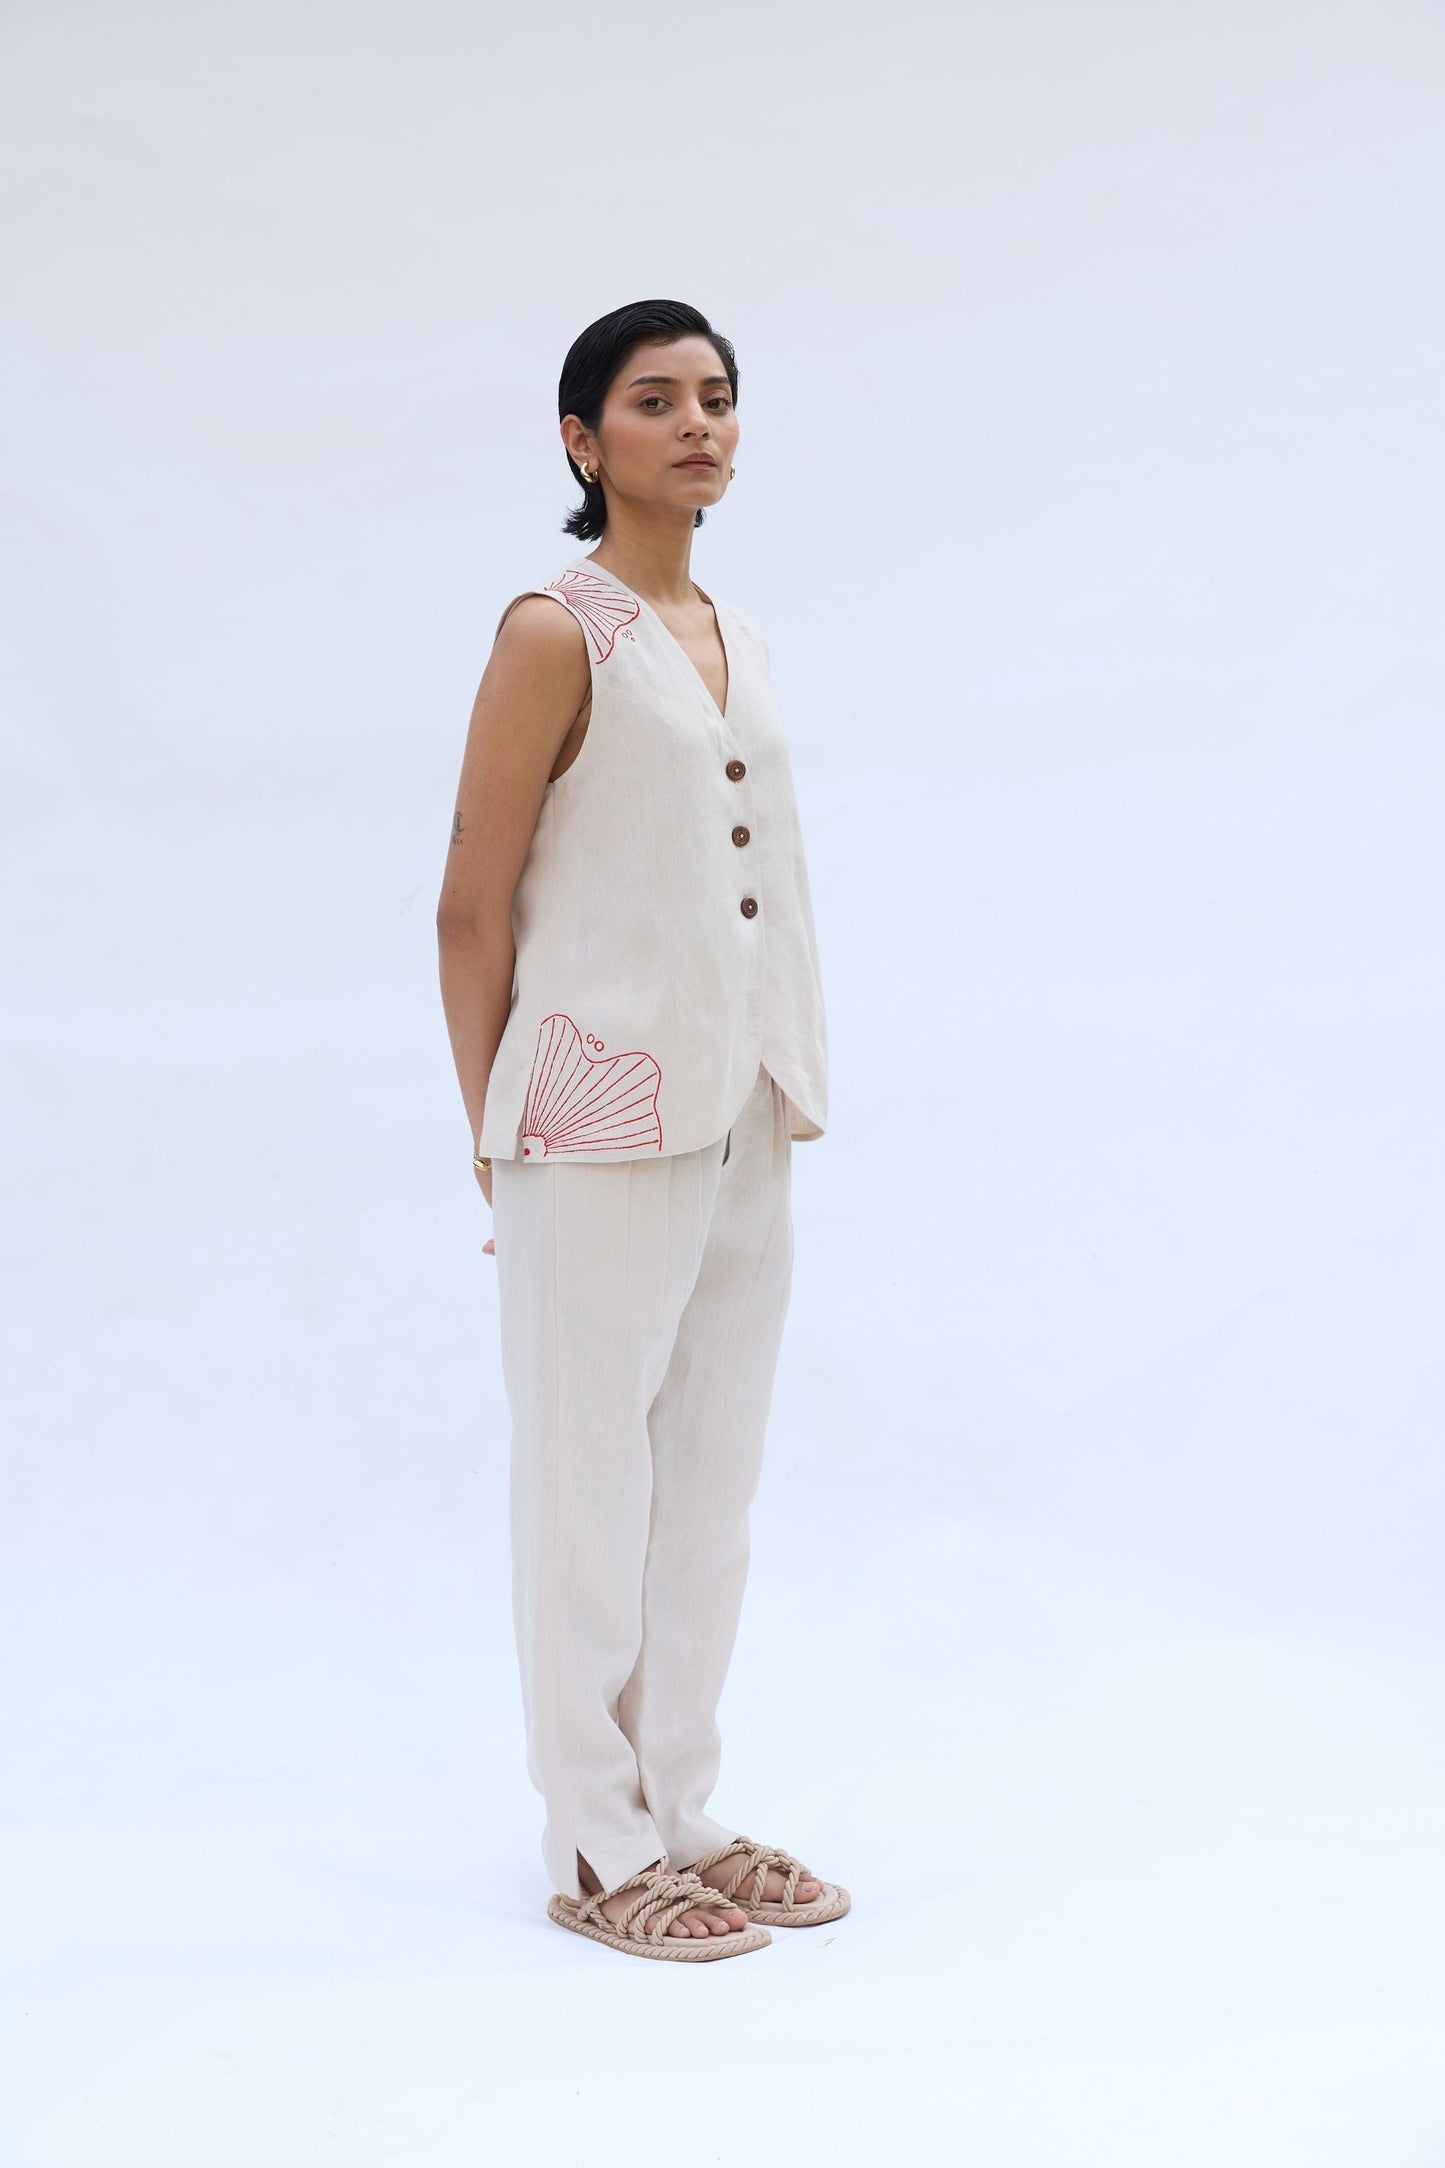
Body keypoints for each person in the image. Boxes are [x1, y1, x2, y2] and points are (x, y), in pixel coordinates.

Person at [435, 298, 849, 1961]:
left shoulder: (730, 628)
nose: (697, 425)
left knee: (707, 1489)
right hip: (590, 1120)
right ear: (579, 438)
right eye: (655, 400)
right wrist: (495, 1134)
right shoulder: (554, 631)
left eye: (717, 398)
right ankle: (595, 1843)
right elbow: (470, 905)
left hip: (745, 1102)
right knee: (586, 1491)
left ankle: (681, 1805)